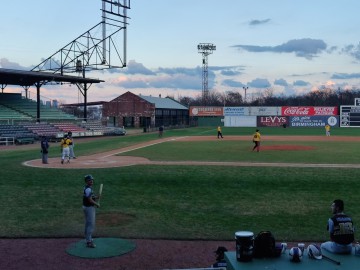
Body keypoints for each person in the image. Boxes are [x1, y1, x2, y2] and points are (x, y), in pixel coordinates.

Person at [83, 174, 100, 248]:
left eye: (92, 180)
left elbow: (90, 197)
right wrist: (97, 204)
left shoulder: (87, 188)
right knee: (91, 224)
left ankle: (87, 239)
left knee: (88, 224)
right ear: (87, 181)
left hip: (86, 207)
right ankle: (89, 242)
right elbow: (89, 200)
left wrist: (96, 197)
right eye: (90, 180)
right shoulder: (88, 189)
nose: (92, 181)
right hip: (89, 208)